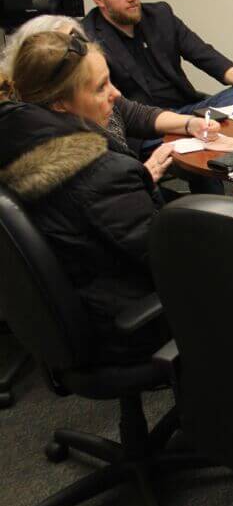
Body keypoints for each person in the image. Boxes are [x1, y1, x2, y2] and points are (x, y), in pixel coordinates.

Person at [0, 31, 173, 362]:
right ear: (59, 104)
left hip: (77, 311)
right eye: (101, 87)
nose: (116, 94)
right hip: (129, 327)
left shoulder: (15, 144)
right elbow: (165, 258)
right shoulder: (99, 174)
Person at [1, 15, 221, 183]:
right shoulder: (62, 147)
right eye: (68, 47)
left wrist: (190, 123)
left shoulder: (83, 102)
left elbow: (135, 113)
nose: (114, 93)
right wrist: (144, 177)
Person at [82, 0, 233, 121]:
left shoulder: (160, 16)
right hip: (146, 125)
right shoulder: (88, 37)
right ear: (99, 0)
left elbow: (204, 54)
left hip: (187, 109)